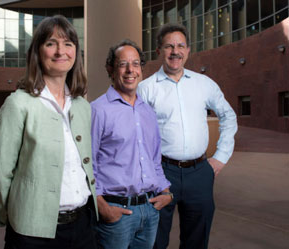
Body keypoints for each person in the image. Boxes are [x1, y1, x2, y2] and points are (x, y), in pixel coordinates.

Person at [0, 15, 98, 249]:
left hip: (82, 227)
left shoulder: (82, 106)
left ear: (76, 53)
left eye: (68, 43)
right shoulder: (18, 104)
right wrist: (14, 214)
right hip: (32, 232)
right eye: (51, 43)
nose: (61, 51)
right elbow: (0, 170)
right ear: (38, 52)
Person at [137, 23, 238, 249]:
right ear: (159, 51)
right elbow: (137, 135)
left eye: (181, 46)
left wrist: (221, 156)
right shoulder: (146, 88)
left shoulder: (204, 84)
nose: (175, 51)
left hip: (199, 172)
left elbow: (228, 116)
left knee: (197, 240)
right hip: (161, 173)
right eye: (169, 46)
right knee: (155, 240)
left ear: (188, 50)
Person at [90, 39, 172, 249]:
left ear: (141, 70)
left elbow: (154, 159)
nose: (130, 70)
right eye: (122, 64)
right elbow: (87, 166)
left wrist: (165, 192)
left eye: (135, 64)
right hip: (116, 212)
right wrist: (102, 208)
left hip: (149, 210)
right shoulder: (98, 110)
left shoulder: (148, 112)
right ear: (111, 69)